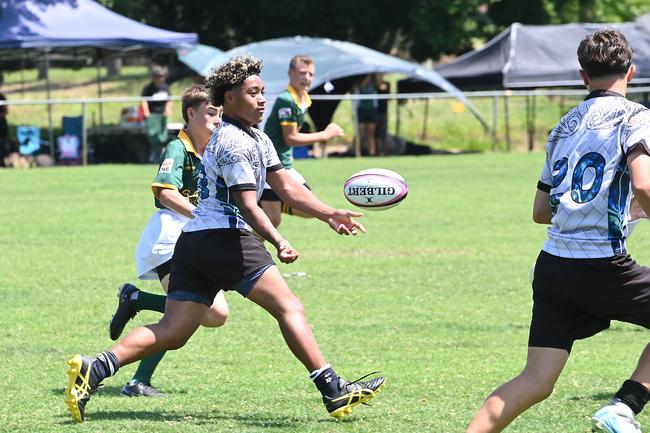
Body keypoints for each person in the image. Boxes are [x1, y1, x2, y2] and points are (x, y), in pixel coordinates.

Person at [65, 55, 385, 424]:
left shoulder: (257, 137)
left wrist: (329, 213)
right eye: (253, 93)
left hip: (193, 244)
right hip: (225, 238)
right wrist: (279, 240)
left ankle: (96, 368)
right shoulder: (233, 142)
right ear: (229, 98)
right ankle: (333, 389)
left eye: (264, 92)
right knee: (289, 307)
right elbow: (248, 205)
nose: (262, 99)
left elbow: (285, 187)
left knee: (173, 330)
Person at [465, 29, 650, 433]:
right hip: (602, 265)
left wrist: (628, 213)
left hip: (553, 267)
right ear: (631, 72)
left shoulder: (563, 126)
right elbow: (645, 184)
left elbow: (541, 211)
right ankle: (624, 405)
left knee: (535, 381)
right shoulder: (636, 117)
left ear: (583, 76)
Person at [107, 85, 230, 397]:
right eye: (211, 113)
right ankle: (137, 382)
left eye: (220, 114)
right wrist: (198, 214)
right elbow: (164, 191)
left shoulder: (215, 150)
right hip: (169, 238)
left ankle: (137, 300)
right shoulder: (178, 148)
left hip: (196, 239)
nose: (217, 120)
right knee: (183, 315)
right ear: (191, 114)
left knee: (216, 316)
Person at [260, 54, 344, 227]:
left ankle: (277, 200)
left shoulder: (302, 98)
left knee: (309, 209)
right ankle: (241, 245)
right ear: (290, 73)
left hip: (284, 165)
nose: (307, 78)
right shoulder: (286, 99)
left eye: (310, 74)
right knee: (272, 222)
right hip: (268, 167)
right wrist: (325, 134)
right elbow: (290, 138)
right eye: (302, 73)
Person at [141, 65, 172, 162]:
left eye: (162, 76)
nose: (160, 78)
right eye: (158, 76)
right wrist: (146, 112)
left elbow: (169, 100)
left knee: (163, 135)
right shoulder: (148, 88)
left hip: (163, 115)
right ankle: (154, 154)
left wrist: (168, 110)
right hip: (153, 115)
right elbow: (144, 100)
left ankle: (162, 153)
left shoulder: (165, 87)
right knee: (153, 135)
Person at [354, 74, 379, 157]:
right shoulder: (360, 80)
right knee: (360, 133)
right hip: (362, 109)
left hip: (372, 109)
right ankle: (357, 152)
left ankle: (372, 153)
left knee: (371, 133)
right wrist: (368, 75)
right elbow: (362, 86)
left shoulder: (374, 81)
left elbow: (380, 85)